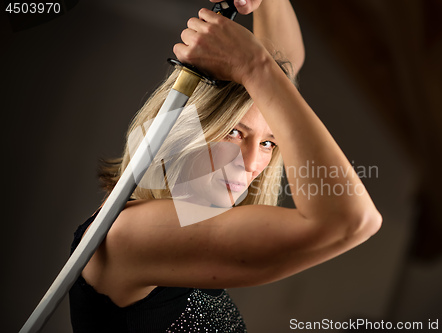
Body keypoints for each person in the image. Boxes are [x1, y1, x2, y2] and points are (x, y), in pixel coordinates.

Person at [69, 0, 382, 332]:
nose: (250, 164)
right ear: (183, 130)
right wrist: (255, 67)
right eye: (234, 132)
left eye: (268, 143)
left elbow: (284, 65)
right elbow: (351, 220)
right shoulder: (129, 235)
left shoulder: (184, 220)